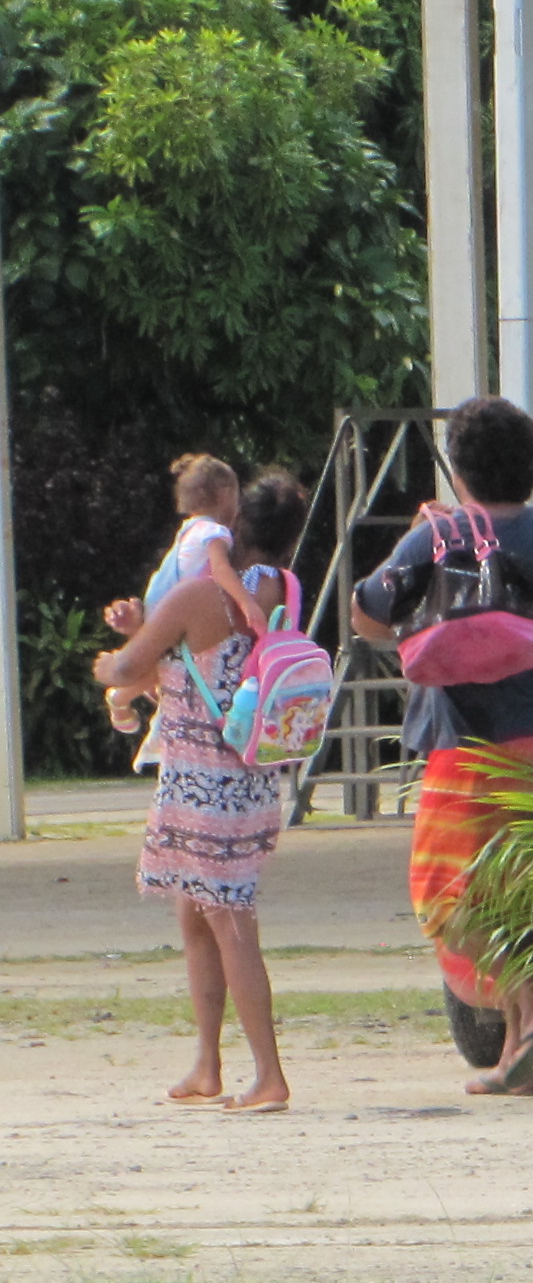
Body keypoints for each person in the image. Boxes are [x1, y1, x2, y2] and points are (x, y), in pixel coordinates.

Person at [351, 394, 533, 1096]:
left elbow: (366, 616)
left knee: (447, 897)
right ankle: (517, 1055)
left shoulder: (436, 537)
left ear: (459, 469)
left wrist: (423, 596)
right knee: (532, 895)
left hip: (467, 745)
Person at [93, 471, 312, 1114]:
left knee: (228, 921)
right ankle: (207, 1064)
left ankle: (268, 1074)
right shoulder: (284, 590)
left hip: (200, 783)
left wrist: (112, 662)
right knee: (197, 916)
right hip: (252, 776)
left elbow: (131, 667)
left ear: (233, 521)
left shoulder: (196, 595)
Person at [99, 453, 241, 750]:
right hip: (172, 611)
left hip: (158, 603)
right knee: (167, 667)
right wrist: (247, 603)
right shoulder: (215, 532)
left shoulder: (188, 529)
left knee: (164, 668)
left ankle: (124, 698)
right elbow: (221, 570)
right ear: (226, 495)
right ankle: (121, 697)